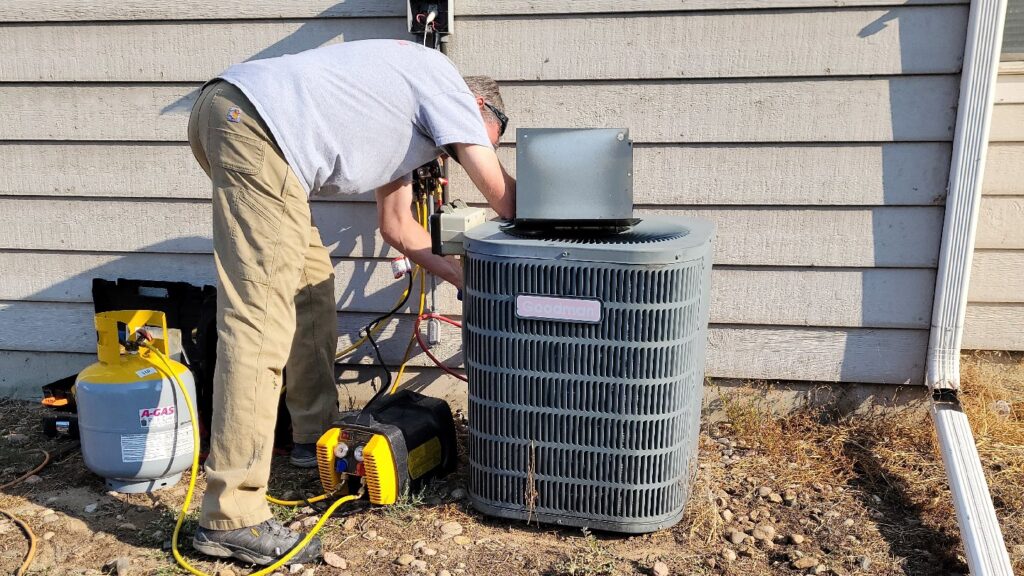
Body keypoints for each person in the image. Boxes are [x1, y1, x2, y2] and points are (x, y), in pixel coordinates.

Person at [185, 38, 515, 565]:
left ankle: (311, 438)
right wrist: (549, 224)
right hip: (250, 124)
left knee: (310, 286)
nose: (465, 151)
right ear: (479, 111)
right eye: (481, 138)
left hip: (237, 117)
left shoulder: (402, 120)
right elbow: (504, 195)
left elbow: (399, 227)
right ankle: (231, 515)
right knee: (260, 320)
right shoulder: (445, 83)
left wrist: (460, 276)